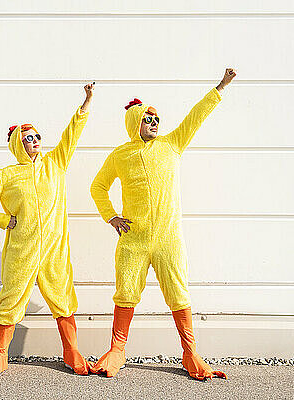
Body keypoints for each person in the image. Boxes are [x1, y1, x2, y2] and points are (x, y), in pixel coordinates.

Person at [89, 69, 236, 380]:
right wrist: (111, 216)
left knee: (178, 293)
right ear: (134, 123)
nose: (154, 123)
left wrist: (220, 88)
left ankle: (190, 352)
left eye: (156, 119)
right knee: (125, 292)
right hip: (134, 240)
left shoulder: (172, 144)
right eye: (147, 118)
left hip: (168, 239)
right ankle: (117, 350)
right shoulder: (121, 155)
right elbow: (98, 186)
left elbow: (196, 117)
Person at [0, 82, 95, 379]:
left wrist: (87, 102)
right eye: (29, 138)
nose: (36, 140)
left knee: (63, 297)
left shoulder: (56, 163)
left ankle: (71, 350)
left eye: (38, 136)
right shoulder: (7, 175)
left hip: (54, 248)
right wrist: (5, 220)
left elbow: (71, 136)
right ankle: (1, 354)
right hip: (22, 249)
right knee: (12, 298)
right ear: (18, 144)